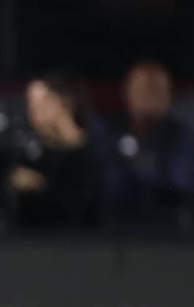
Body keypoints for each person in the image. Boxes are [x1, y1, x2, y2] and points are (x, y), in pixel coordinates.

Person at [106, 60, 193, 230]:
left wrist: (138, 168)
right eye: (142, 90)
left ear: (168, 96)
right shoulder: (110, 131)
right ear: (127, 92)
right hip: (115, 231)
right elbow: (108, 185)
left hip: (168, 233)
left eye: (156, 91)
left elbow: (177, 186)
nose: (149, 97)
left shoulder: (182, 137)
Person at [11, 73, 105, 229]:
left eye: (44, 101)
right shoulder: (30, 154)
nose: (35, 111)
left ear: (66, 101)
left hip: (85, 242)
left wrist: (41, 186)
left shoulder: (94, 149)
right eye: (31, 103)